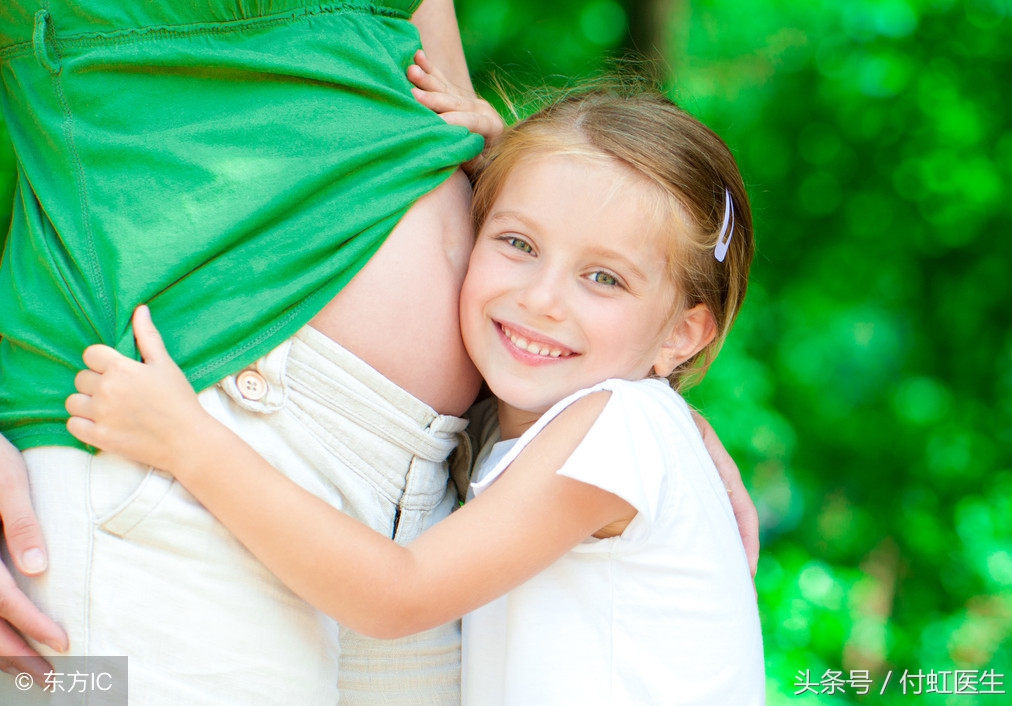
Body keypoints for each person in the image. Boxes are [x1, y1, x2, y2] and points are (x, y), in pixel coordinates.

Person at [0, 2, 758, 702]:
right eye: (518, 243)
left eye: (602, 278)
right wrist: (187, 442)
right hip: (166, 432)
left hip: (423, 487)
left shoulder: (614, 431)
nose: (541, 299)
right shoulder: (620, 430)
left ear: (683, 332)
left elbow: (439, 105)